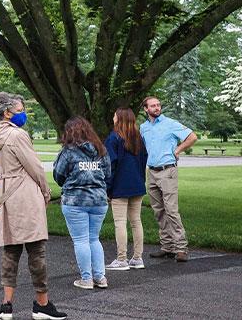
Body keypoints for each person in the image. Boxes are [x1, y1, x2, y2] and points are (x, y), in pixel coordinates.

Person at [0, 92, 66, 320]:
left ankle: (6, 305)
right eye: (20, 110)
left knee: (10, 251)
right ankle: (42, 304)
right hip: (25, 195)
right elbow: (35, 167)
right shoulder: (18, 135)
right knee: (36, 250)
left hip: (5, 195)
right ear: (7, 113)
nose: (23, 114)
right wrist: (46, 191)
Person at [53, 117, 113, 290]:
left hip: (75, 201)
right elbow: (108, 173)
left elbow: (58, 175)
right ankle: (100, 277)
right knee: (94, 239)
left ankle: (86, 279)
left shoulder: (68, 152)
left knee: (81, 240)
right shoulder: (101, 149)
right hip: (99, 200)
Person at [140, 96, 197, 262]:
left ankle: (181, 248)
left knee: (171, 210)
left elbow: (192, 137)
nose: (157, 108)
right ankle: (167, 247)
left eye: (158, 105)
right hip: (152, 172)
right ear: (145, 109)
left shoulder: (170, 123)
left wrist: (177, 150)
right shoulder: (143, 128)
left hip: (168, 171)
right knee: (158, 211)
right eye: (153, 106)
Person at [105, 108, 148, 271]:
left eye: (114, 115)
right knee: (136, 222)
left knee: (120, 223)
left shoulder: (113, 138)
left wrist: (107, 188)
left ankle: (121, 259)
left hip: (120, 186)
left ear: (119, 119)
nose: (113, 117)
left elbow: (110, 165)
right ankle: (137, 258)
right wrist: (141, 180)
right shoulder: (138, 138)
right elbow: (143, 161)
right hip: (137, 184)